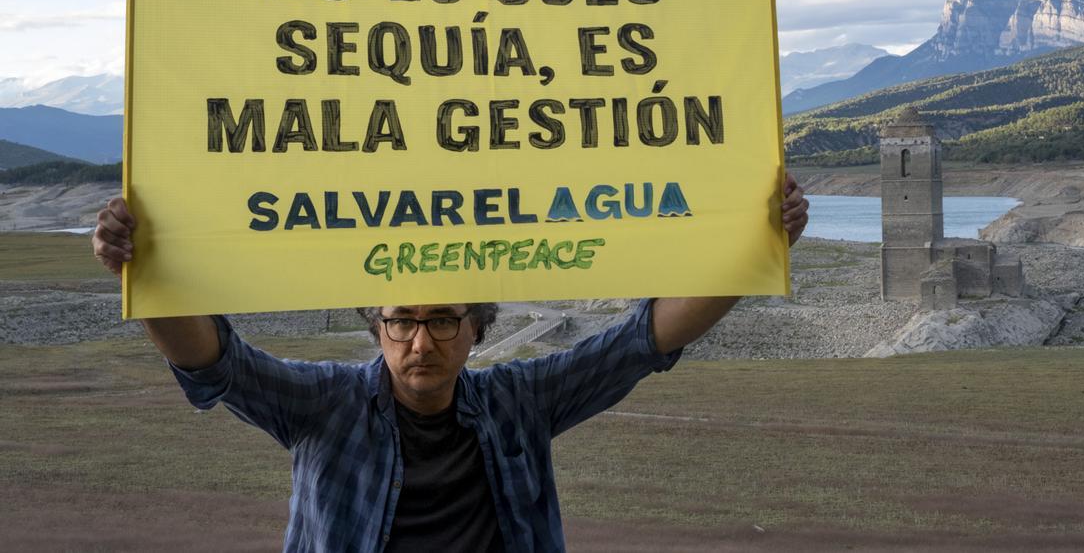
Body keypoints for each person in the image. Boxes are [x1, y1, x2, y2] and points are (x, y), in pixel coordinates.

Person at [92, 174, 810, 552]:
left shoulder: (518, 401)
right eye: (400, 319)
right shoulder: (323, 405)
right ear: (377, 325)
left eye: (441, 319)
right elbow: (217, 363)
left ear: (475, 329)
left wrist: (758, 245)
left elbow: (642, 339)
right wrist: (142, 271)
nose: (419, 341)